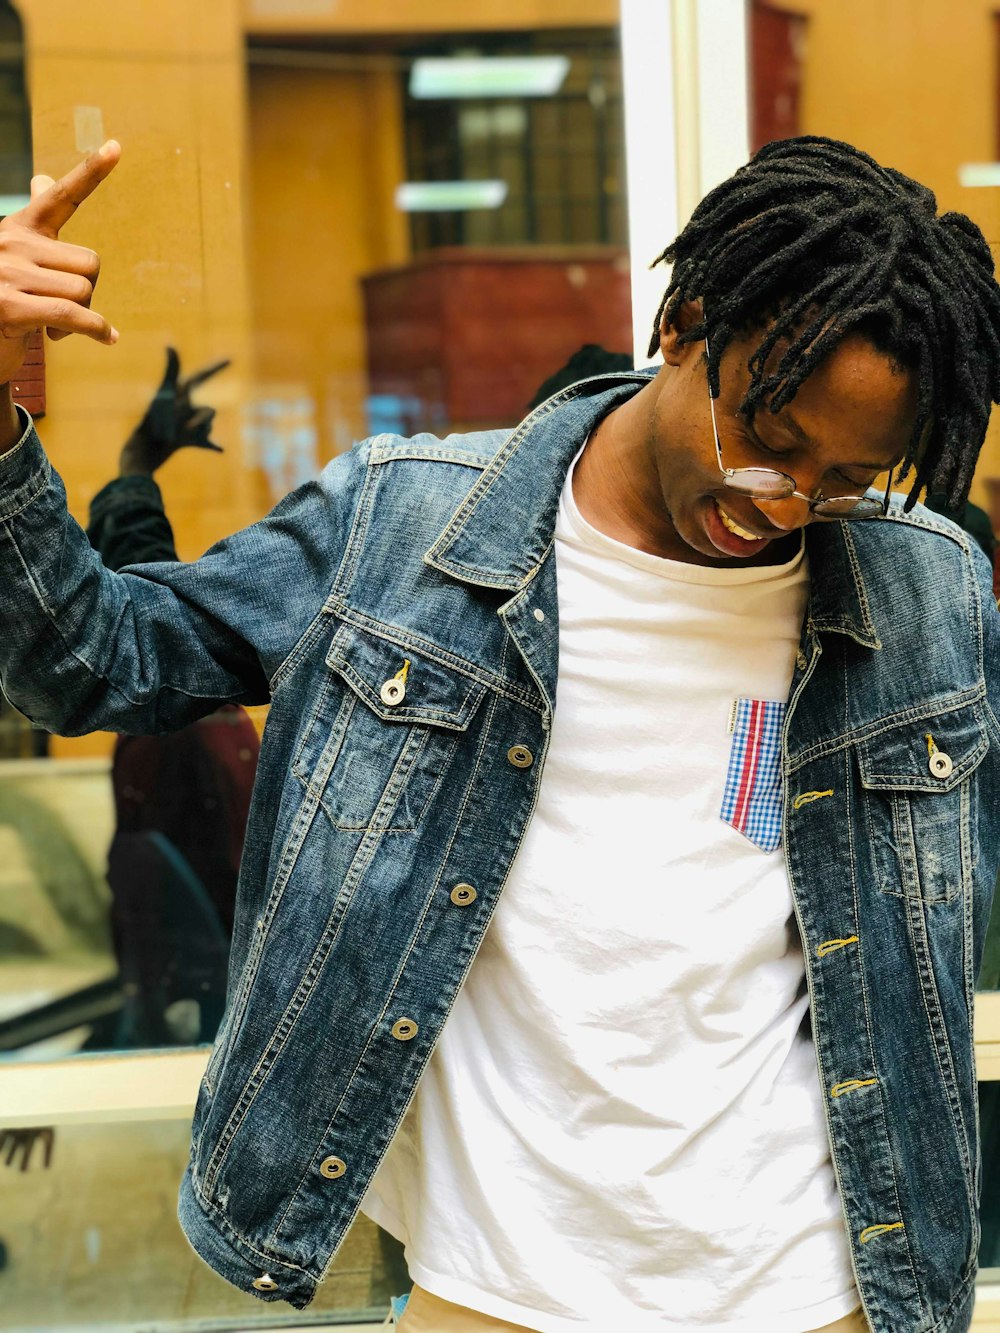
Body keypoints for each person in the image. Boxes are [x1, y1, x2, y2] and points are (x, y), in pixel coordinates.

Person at [0, 136, 998, 1333]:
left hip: (820, 1292)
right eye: (768, 440)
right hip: (496, 1290)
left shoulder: (922, 590)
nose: (780, 502)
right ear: (680, 324)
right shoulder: (405, 528)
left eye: (844, 477)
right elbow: (90, 662)